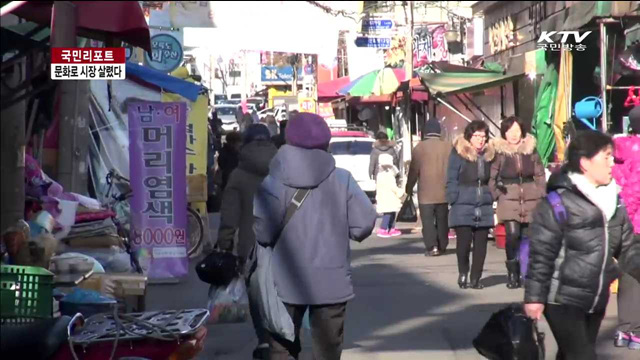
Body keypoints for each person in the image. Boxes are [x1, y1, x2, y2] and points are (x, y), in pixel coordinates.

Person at [254, 113, 377, 360]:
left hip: (284, 279)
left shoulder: (273, 181)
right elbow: (364, 224)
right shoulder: (342, 179)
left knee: (281, 347)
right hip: (331, 279)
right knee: (328, 351)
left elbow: (263, 232)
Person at [524, 131, 640, 360]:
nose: (611, 163)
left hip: (595, 298)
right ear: (585, 163)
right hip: (562, 298)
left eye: (611, 157)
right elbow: (541, 255)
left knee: (570, 355)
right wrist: (534, 298)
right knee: (583, 356)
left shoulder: (615, 201)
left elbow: (629, 249)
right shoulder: (558, 202)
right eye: (605, 157)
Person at [216, 124, 277, 359]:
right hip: (285, 244)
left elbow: (229, 215)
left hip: (251, 247)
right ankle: (283, 338)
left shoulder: (239, 175)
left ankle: (264, 341)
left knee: (256, 296)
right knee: (283, 293)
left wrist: (225, 243)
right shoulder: (285, 169)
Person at [489, 116, 546, 289]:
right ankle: (512, 273)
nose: (513, 135)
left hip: (531, 198)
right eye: (509, 131)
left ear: (522, 131)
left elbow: (540, 174)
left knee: (528, 237)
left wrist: (540, 192)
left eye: (517, 130)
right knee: (512, 235)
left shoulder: (531, 151)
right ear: (504, 134)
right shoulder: (499, 153)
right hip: (508, 198)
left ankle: (527, 272)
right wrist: (497, 194)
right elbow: (491, 177)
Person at [447, 120, 495, 290]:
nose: (480, 140)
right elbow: (451, 177)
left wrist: (493, 194)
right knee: (464, 243)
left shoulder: (490, 154)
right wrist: (453, 198)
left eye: (483, 136)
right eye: (477, 136)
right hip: (462, 202)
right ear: (469, 136)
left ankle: (476, 278)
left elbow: (494, 178)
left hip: (484, 203)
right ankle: (463, 273)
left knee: (481, 244)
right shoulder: (458, 152)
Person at [612, 106, 640, 350]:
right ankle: (636, 331)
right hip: (636, 224)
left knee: (629, 278)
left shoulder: (620, 151)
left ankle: (625, 330)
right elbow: (635, 191)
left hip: (624, 223)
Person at [406, 118, 452, 256]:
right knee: (442, 220)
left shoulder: (419, 148)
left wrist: (409, 187)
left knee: (428, 221)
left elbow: (414, 170)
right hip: (444, 191)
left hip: (425, 192)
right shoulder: (448, 146)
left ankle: (432, 247)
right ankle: (443, 245)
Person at [375, 154, 404, 238]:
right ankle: (383, 228)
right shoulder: (388, 175)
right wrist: (400, 192)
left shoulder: (380, 175)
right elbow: (393, 187)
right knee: (389, 214)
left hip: (384, 197)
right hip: (390, 198)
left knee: (391, 213)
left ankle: (391, 228)